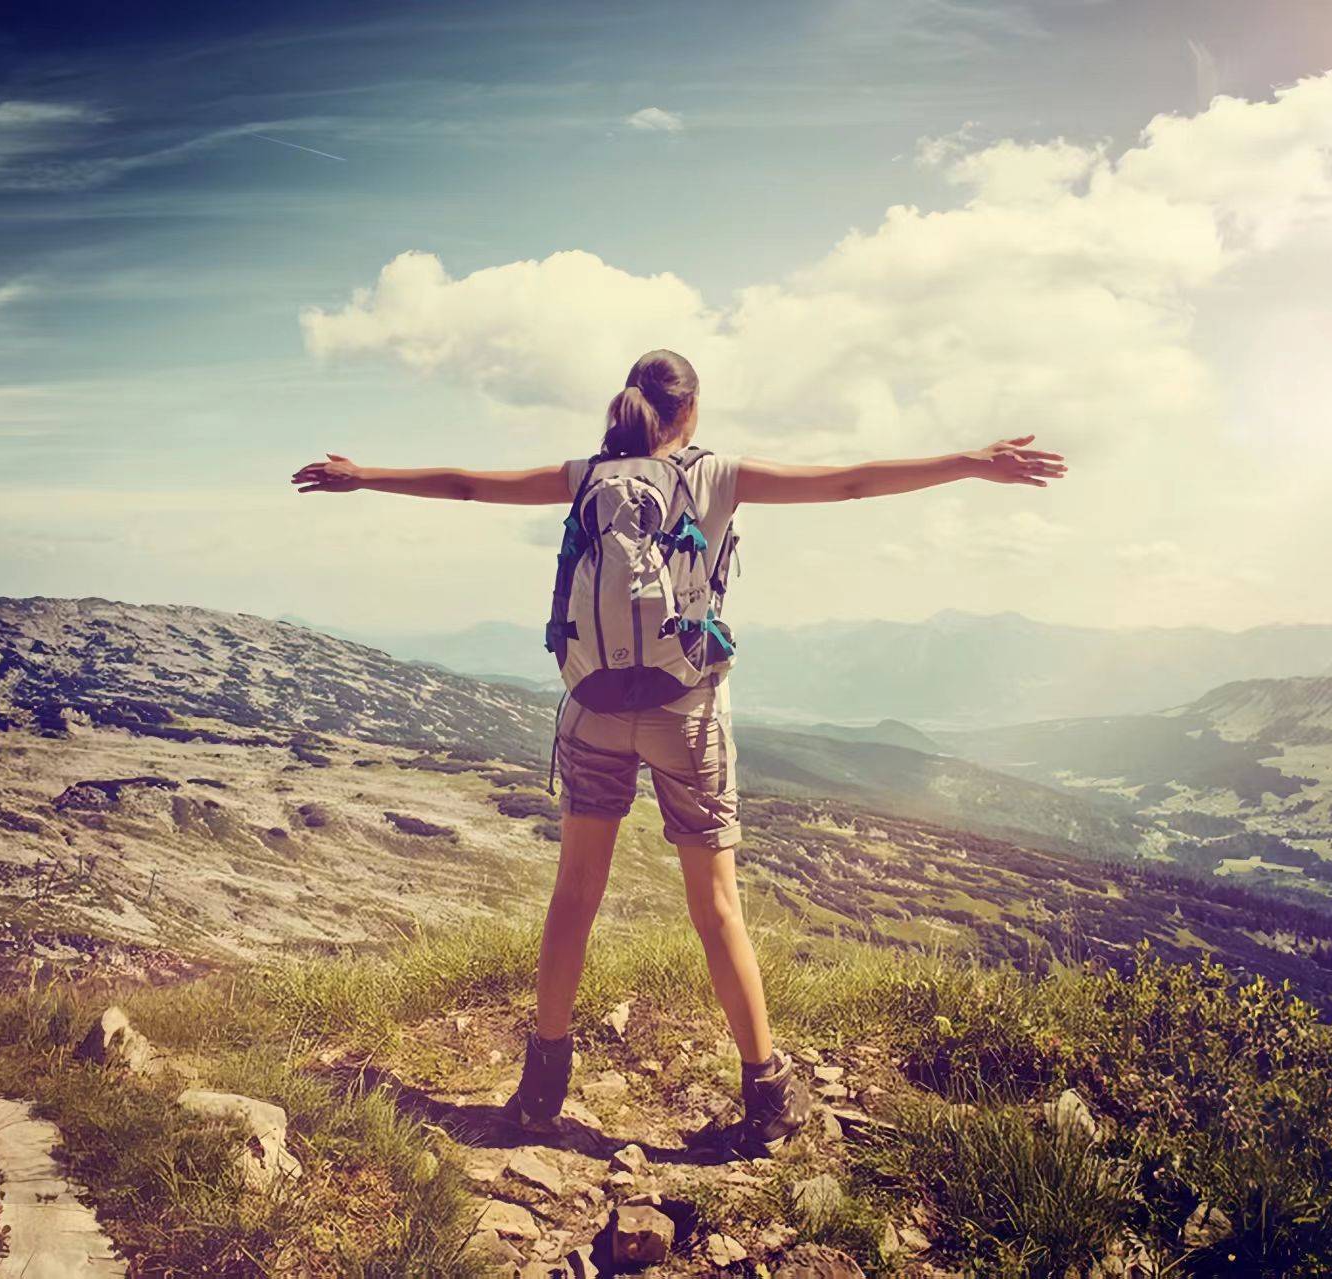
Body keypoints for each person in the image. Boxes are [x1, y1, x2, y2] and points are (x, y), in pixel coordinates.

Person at [291, 349, 1067, 1153]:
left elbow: (465, 484)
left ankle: (539, 1090)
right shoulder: (714, 476)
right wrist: (972, 462)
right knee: (716, 905)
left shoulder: (586, 474)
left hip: (591, 711)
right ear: (691, 411)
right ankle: (766, 1091)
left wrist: (364, 475)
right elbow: (851, 480)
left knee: (574, 894)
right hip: (684, 715)